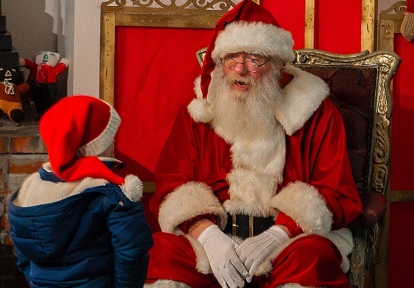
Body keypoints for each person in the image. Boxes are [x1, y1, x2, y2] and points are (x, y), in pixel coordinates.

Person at [145, 1, 362, 288]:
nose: (240, 70)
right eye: (231, 58)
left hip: (287, 241)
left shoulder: (316, 112)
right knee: (161, 252)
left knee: (313, 257)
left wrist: (281, 232)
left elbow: (337, 192)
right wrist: (207, 234)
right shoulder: (200, 113)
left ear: (275, 64)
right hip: (216, 238)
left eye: (254, 59)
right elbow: (172, 185)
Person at [8, 95, 153, 287]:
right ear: (95, 147)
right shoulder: (114, 195)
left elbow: (23, 256)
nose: (114, 143)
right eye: (110, 138)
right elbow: (132, 254)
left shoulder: (28, 191)